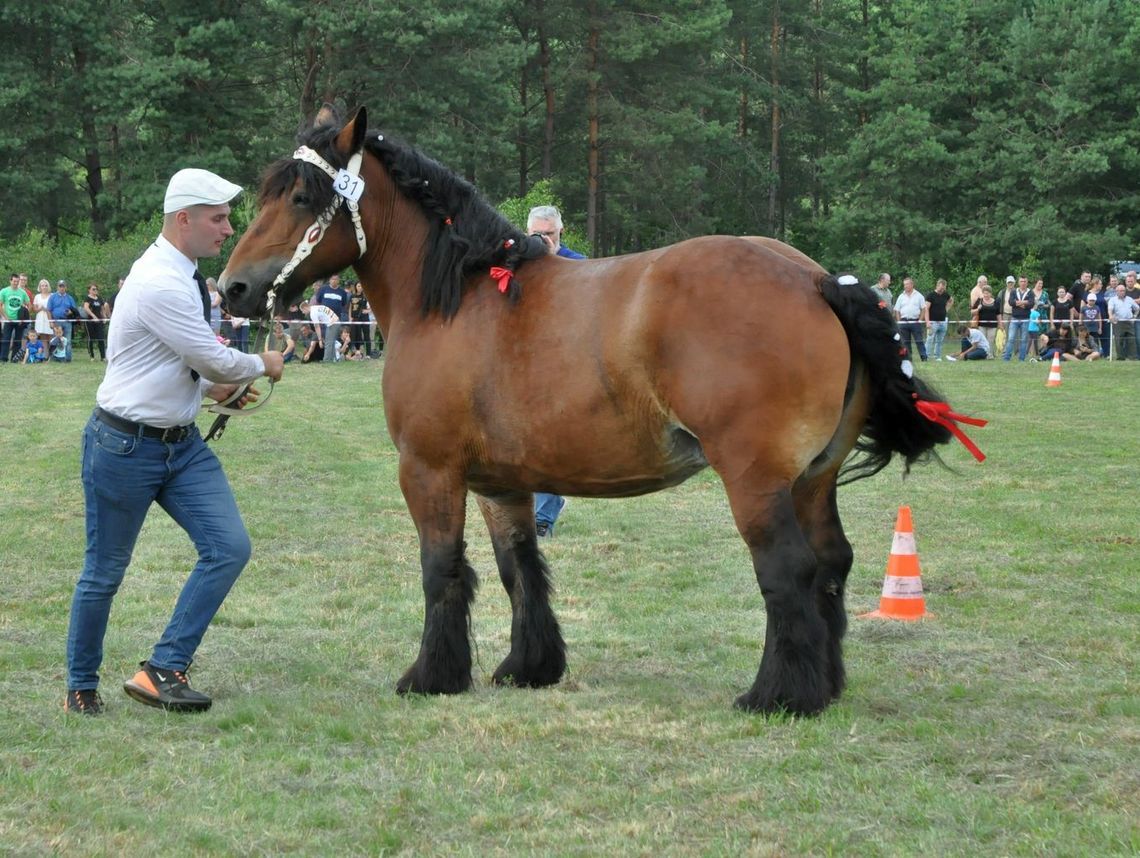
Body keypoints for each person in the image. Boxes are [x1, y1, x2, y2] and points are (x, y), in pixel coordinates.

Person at [64, 167, 285, 716]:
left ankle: (162, 669)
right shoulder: (161, 280)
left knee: (228, 548)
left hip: (180, 446)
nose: (229, 228)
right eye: (218, 218)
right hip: (123, 448)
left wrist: (215, 390)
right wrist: (264, 364)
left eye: (228, 217)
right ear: (182, 219)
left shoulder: (184, 273)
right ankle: (79, 687)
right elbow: (210, 355)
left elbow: (185, 362)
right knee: (104, 573)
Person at [527, 204, 585, 537]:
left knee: (549, 439)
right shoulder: (517, 265)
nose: (542, 240)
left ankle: (543, 517)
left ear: (560, 232)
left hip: (567, 365)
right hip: (528, 364)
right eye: (536, 234)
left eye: (548, 234)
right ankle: (543, 507)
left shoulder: (577, 265)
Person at [315, 273, 349, 362]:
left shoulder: (342, 292)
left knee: (333, 339)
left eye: (336, 279)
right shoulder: (323, 289)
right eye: (332, 279)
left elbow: (343, 303)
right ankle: (327, 357)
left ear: (338, 281)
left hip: (335, 319)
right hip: (324, 319)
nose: (334, 281)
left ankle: (331, 358)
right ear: (329, 280)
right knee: (326, 339)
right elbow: (318, 300)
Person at [893, 277, 927, 361]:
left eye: (907, 284)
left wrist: (920, 320)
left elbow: (923, 309)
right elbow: (897, 309)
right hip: (904, 322)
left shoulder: (919, 296)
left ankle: (924, 357)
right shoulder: (901, 296)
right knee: (905, 342)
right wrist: (899, 321)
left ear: (912, 284)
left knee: (919, 341)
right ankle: (909, 357)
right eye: (904, 284)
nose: (905, 286)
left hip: (915, 321)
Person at [1, 272, 31, 363]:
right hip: (8, 320)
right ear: (10, 281)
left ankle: (14, 358)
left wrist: (24, 316)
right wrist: (5, 317)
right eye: (14, 281)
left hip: (19, 321)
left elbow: (29, 304)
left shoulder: (22, 292)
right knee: (6, 339)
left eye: (17, 281)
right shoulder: (4, 291)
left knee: (17, 340)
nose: (16, 283)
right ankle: (3, 358)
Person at [46, 280, 79, 361]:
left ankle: (67, 358)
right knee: (56, 340)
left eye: (63, 286)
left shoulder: (70, 298)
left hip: (67, 322)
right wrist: (51, 321)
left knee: (67, 341)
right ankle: (54, 358)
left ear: (66, 287)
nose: (62, 288)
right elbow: (48, 310)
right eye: (60, 286)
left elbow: (75, 310)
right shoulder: (52, 297)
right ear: (57, 287)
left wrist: (70, 312)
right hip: (56, 321)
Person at [1003, 275, 1032, 361]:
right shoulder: (1014, 291)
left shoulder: (1030, 292)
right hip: (1014, 318)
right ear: (1019, 282)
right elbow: (1011, 302)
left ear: (1027, 283)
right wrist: (1024, 302)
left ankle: (1021, 359)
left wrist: (1019, 303)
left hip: (1025, 319)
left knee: (1023, 340)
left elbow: (1031, 303)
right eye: (1021, 281)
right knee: (1011, 338)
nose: (1023, 283)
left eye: (1024, 281)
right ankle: (1006, 358)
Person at [1106, 281, 1138, 360]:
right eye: (1119, 291)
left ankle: (1133, 357)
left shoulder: (1130, 299)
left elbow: (1137, 308)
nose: (1121, 292)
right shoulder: (1112, 300)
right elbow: (1110, 309)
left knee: (1132, 340)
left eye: (1123, 290)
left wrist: (1134, 317)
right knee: (1119, 341)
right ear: (1116, 291)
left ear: (1125, 291)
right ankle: (1121, 358)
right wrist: (1110, 316)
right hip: (1118, 322)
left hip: (1129, 322)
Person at [924, 278, 953, 360]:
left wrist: (946, 309)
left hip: (943, 322)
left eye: (944, 288)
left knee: (939, 341)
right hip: (932, 322)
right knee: (930, 339)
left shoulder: (945, 294)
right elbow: (926, 309)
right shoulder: (930, 295)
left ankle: (938, 356)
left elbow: (951, 300)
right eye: (941, 288)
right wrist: (927, 322)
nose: (942, 290)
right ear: (937, 286)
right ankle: (927, 356)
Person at [82, 283, 109, 361]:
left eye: (96, 289)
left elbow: (102, 308)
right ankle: (92, 356)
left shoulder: (99, 298)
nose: (95, 290)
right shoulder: (87, 298)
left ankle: (103, 357)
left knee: (101, 338)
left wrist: (104, 317)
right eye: (93, 289)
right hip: (90, 321)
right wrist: (93, 316)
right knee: (91, 338)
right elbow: (86, 308)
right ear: (89, 290)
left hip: (99, 321)